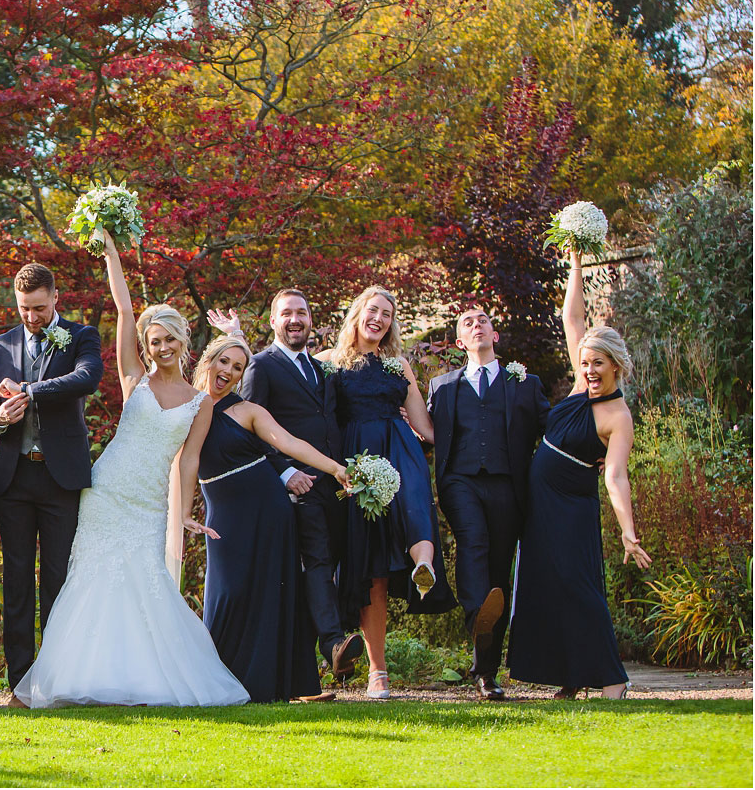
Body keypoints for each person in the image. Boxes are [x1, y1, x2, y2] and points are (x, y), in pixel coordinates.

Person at [13, 230, 248, 709]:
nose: (161, 346)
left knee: (144, 585)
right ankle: (65, 682)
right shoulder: (133, 379)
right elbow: (123, 308)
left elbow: (189, 462)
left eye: (169, 339)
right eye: (154, 339)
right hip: (105, 493)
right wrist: (113, 253)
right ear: (146, 344)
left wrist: (182, 513)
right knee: (89, 582)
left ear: (184, 340)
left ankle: (139, 681)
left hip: (148, 504)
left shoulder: (200, 403)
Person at [507, 247, 651, 699]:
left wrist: (628, 532)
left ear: (616, 366)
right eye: (584, 362)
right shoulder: (578, 384)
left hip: (571, 508)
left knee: (577, 587)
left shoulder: (618, 416)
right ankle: (569, 678)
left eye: (597, 364)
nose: (588, 369)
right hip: (541, 506)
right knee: (545, 585)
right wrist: (575, 260)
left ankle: (612, 679)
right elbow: (572, 319)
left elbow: (616, 477)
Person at [188, 333, 353, 703]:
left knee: (272, 593)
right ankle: (220, 684)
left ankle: (275, 686)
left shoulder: (247, 411)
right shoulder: (186, 405)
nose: (228, 371)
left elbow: (290, 444)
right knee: (227, 592)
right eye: (224, 362)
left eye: (238, 367)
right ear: (208, 361)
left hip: (268, 508)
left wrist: (335, 468)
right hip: (225, 514)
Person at [218, 293, 367, 683]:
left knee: (324, 568)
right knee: (317, 560)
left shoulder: (321, 369)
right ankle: (334, 645)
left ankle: (305, 671)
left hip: (334, 485)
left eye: (301, 312)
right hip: (297, 487)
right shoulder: (260, 367)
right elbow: (247, 429)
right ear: (273, 321)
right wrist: (284, 473)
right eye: (287, 313)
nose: (295, 319)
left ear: (311, 319)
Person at [315, 285, 454, 700]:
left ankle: (423, 566)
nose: (380, 318)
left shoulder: (398, 365)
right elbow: (285, 377)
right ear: (357, 313)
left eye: (388, 314)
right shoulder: (329, 362)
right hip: (356, 462)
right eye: (373, 310)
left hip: (401, 449)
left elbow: (426, 427)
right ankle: (379, 672)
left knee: (415, 504)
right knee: (369, 564)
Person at [0, 263, 103, 706]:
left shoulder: (82, 336)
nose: (31, 316)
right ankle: (19, 685)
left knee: (57, 582)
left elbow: (86, 378)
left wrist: (28, 391)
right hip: (14, 477)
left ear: (56, 300)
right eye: (24, 308)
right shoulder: (1, 344)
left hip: (59, 478)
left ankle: (54, 680)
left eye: (39, 308)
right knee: (16, 583)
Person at [427, 305, 550, 700]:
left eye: (483, 321)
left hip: (508, 486)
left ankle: (487, 671)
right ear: (460, 342)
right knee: (473, 540)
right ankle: (476, 613)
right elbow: (424, 434)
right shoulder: (442, 387)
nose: (477, 326)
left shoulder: (525, 384)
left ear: (494, 336)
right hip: (459, 481)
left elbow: (553, 431)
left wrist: (594, 450)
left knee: (500, 570)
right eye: (468, 323)